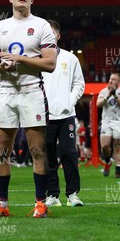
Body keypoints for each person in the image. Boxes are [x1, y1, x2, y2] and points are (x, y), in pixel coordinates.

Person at [0, 0, 57, 218]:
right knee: (2, 151)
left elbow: (50, 63)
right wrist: (4, 66)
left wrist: (21, 59)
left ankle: (40, 205)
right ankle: (1, 205)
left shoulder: (42, 25)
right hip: (5, 92)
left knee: (36, 149)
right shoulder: (0, 27)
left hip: (31, 90)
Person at [43, 20, 85, 207]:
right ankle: (52, 195)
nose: (49, 36)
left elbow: (79, 84)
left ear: (58, 36)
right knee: (48, 156)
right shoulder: (37, 59)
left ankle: (73, 194)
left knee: (69, 154)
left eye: (52, 33)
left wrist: (70, 101)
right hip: (44, 116)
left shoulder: (70, 58)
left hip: (67, 114)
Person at [97, 73, 120, 178]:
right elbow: (98, 104)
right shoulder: (103, 91)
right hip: (106, 122)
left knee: (117, 147)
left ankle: (118, 170)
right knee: (104, 146)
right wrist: (108, 96)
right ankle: (108, 162)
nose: (110, 81)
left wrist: (115, 94)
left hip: (119, 122)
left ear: (119, 82)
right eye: (110, 79)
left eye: (114, 79)